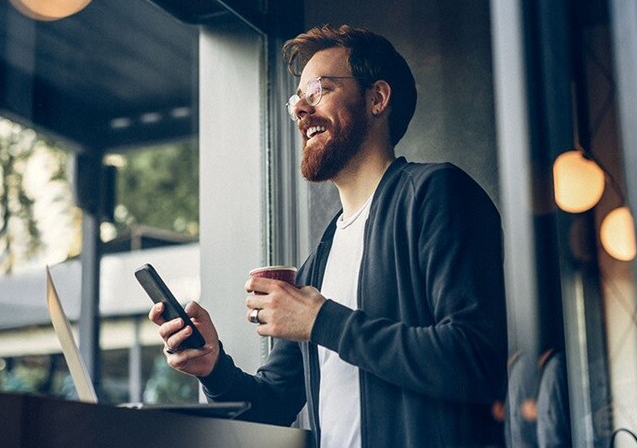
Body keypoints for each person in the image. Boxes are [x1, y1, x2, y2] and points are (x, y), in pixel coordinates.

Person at [150, 25, 507, 447]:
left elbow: (475, 361)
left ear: (377, 98)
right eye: (295, 99)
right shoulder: (322, 256)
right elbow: (271, 406)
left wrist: (323, 321)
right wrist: (213, 366)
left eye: (317, 90)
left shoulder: (436, 194)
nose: (300, 109)